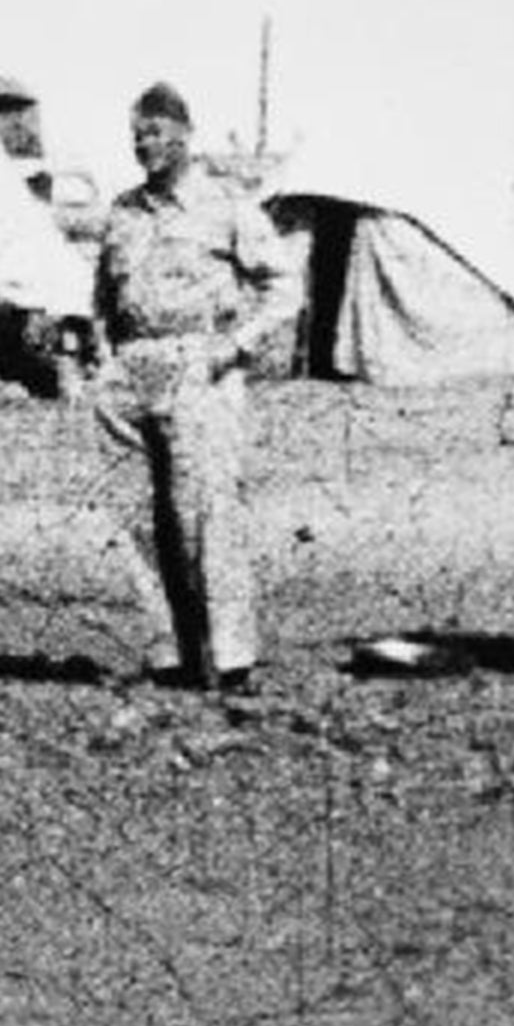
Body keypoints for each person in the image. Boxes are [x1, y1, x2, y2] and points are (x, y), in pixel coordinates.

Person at [91, 82, 301, 693]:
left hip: (198, 365)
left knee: (208, 515)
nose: (144, 145)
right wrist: (107, 360)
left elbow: (284, 287)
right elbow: (104, 297)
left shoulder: (223, 203)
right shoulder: (124, 211)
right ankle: (169, 655)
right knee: (136, 519)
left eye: (155, 133)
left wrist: (233, 347)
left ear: (185, 136)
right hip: (132, 368)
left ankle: (231, 660)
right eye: (136, 134)